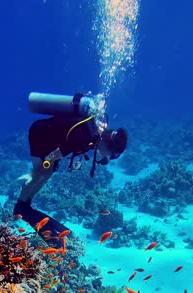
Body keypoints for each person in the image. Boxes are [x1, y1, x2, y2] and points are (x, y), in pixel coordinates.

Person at [14, 92, 128, 247]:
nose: (110, 158)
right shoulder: (85, 136)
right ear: (108, 146)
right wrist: (34, 172)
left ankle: (26, 203)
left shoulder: (98, 132)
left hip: (52, 138)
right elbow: (54, 156)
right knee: (45, 170)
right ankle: (21, 206)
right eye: (112, 155)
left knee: (48, 170)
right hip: (39, 135)